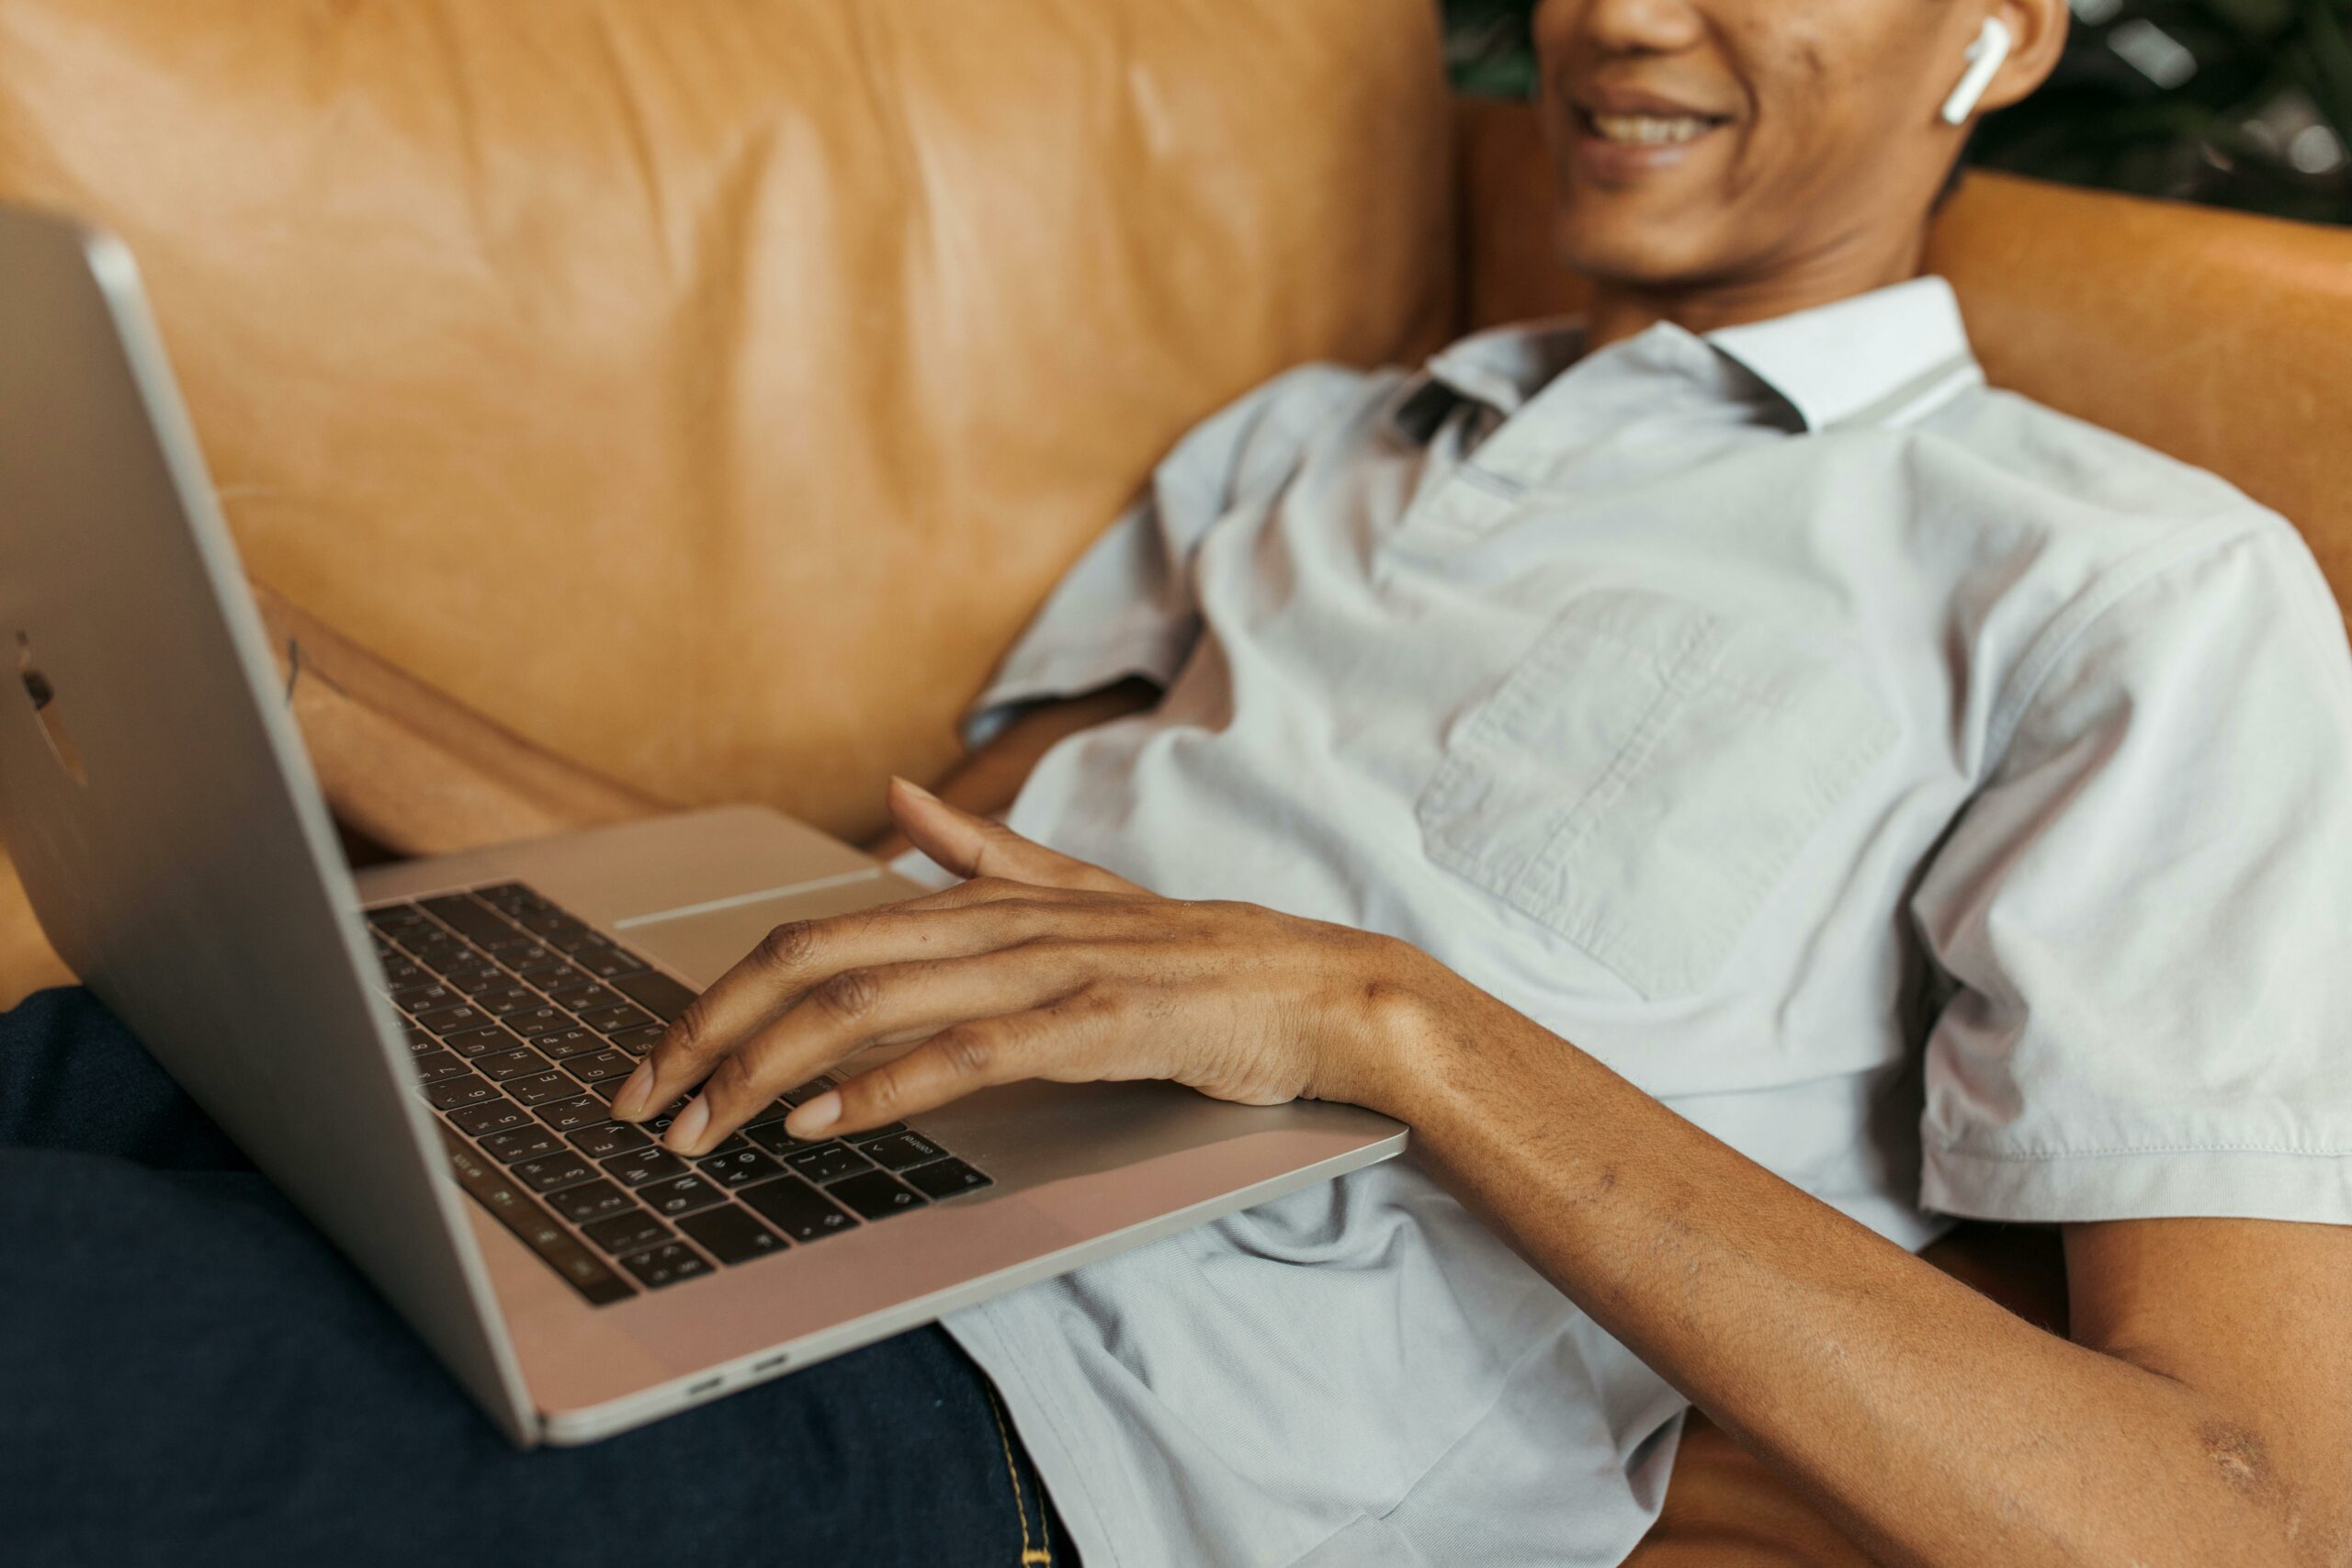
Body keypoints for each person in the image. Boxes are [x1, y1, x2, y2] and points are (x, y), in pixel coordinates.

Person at [8, 1, 2349, 1565]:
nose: (1623, 11)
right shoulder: (1313, 439)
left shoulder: (2127, 590)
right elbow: (850, 910)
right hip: (706, 1157)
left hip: (1025, 1429)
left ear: (2005, 30)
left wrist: (1378, 1019)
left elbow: (2234, 1511)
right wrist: (281, 676)